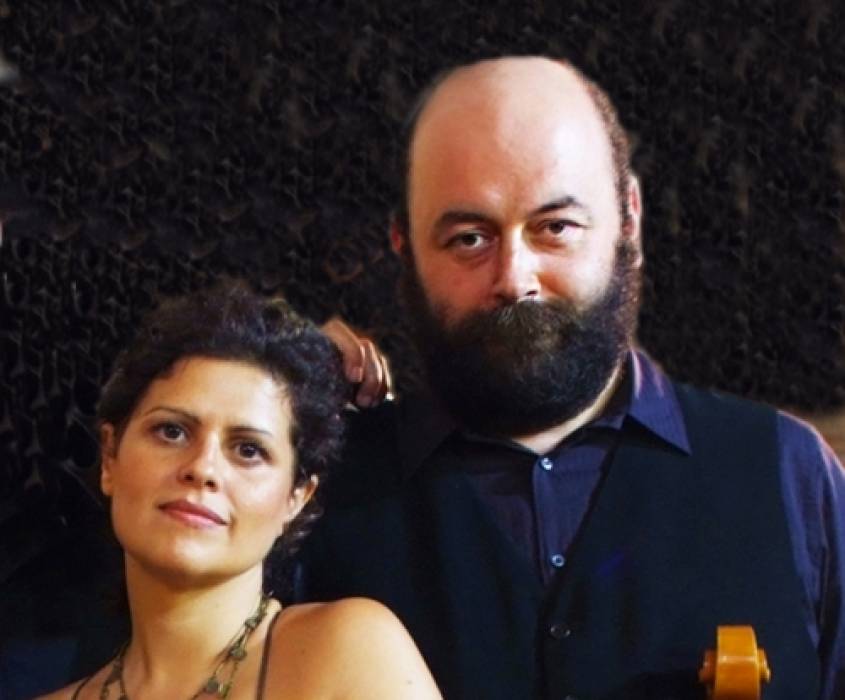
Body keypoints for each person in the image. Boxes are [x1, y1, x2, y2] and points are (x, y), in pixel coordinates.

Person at [295, 56, 845, 699]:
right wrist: (259, 379)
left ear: (629, 217)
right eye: (469, 238)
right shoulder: (309, 492)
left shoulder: (788, 473)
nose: (514, 278)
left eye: (555, 227)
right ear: (402, 243)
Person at [38, 281, 441, 699]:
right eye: (172, 431)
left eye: (249, 450)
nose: (202, 468)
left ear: (297, 498)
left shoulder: (351, 652)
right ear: (110, 458)